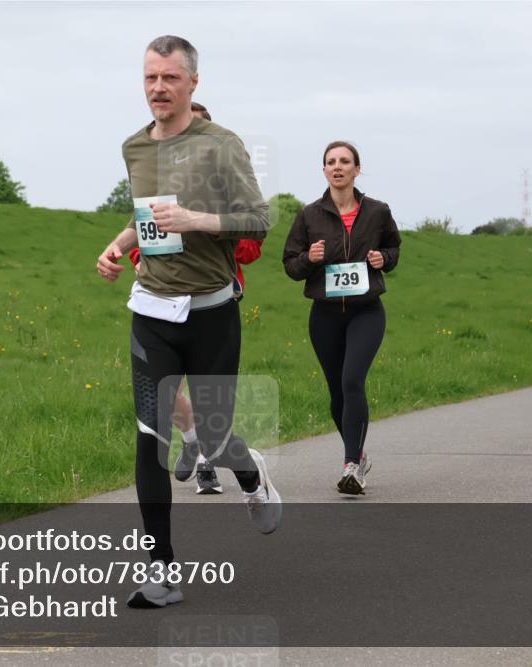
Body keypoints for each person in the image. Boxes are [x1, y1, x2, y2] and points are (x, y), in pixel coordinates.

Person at [96, 35, 280, 608]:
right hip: (151, 308)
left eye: (169, 78)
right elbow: (146, 212)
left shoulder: (221, 145)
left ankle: (252, 476)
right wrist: (118, 242)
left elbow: (257, 220)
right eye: (150, 77)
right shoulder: (133, 146)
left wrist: (195, 218)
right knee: (150, 439)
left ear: (193, 82)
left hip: (211, 311)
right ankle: (161, 571)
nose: (158, 88)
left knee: (217, 437)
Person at [128, 101, 264, 495]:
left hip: (212, 305)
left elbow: (252, 246)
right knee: (166, 399)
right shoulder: (161, 185)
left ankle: (213, 462)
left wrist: (208, 234)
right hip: (162, 305)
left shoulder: (227, 191)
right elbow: (143, 232)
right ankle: (190, 445)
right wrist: (135, 257)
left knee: (211, 411)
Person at [282, 141, 401, 495]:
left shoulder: (378, 211)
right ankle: (359, 453)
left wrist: (385, 260)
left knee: (352, 381)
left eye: (345, 161)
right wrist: (310, 259)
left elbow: (394, 248)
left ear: (357, 169)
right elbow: (290, 264)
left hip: (366, 311)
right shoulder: (309, 215)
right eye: (331, 162)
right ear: (324, 171)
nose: (337, 167)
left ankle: (351, 467)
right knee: (336, 392)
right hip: (325, 315)